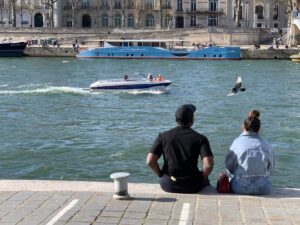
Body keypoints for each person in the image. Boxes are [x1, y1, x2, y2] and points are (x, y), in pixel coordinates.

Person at [147, 104, 214, 193]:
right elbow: (208, 165)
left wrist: (161, 175)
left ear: (176, 120)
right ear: (192, 120)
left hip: (168, 184)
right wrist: (203, 178)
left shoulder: (163, 137)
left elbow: (150, 161)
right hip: (192, 185)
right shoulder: (201, 139)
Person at [225, 110, 275, 195]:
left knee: (228, 174)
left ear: (243, 126)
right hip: (263, 189)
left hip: (240, 188)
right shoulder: (267, 144)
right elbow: (271, 168)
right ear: (259, 129)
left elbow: (229, 167)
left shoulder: (237, 143)